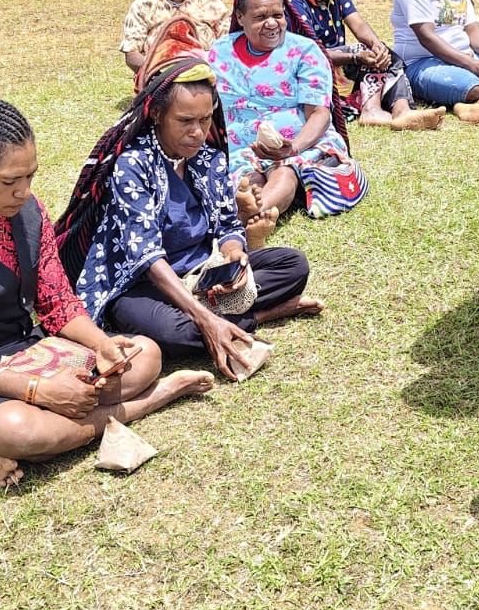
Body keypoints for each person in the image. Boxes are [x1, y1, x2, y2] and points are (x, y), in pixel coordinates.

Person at [0, 99, 213, 489]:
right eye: (10, 181)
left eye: (30, 177)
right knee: (21, 430)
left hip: (22, 350)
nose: (24, 191)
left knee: (144, 355)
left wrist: (100, 346)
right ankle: (143, 404)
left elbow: (56, 300)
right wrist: (41, 392)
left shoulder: (26, 209)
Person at [55, 58, 324, 381]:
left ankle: (221, 317)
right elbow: (147, 258)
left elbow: (228, 224)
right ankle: (266, 312)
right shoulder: (132, 165)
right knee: (174, 333)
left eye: (206, 119)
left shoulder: (208, 159)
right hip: (142, 285)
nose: (197, 132)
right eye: (185, 120)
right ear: (156, 115)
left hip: (202, 276)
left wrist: (234, 253)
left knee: (292, 264)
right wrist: (204, 318)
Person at [207, 0, 368, 223]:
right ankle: (251, 213)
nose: (272, 23)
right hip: (242, 151)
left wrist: (292, 148)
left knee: (284, 173)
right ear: (240, 17)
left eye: (278, 15)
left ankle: (244, 219)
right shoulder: (220, 52)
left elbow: (319, 114)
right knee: (248, 182)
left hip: (302, 144)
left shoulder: (304, 51)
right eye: (260, 17)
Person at [285, 0, 443, 131]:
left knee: (383, 53)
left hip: (339, 67)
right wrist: (355, 57)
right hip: (312, 70)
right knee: (364, 51)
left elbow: (358, 24)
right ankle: (371, 109)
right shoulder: (294, 2)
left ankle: (402, 110)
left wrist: (378, 46)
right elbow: (312, 54)